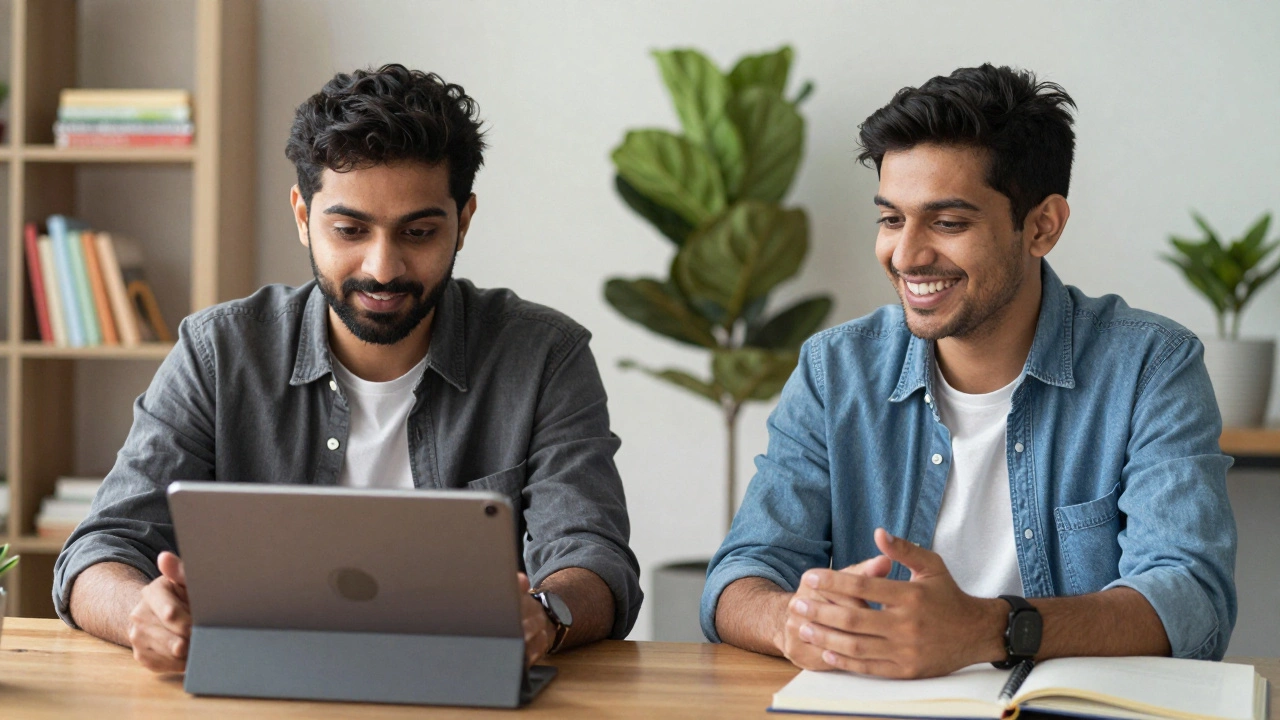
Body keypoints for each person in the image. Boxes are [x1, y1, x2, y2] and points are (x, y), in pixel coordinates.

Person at [54, 64, 642, 673]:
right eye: (350, 229)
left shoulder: (544, 355)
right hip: (259, 686)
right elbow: (100, 548)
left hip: (465, 690)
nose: (382, 267)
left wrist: (545, 614)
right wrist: (141, 614)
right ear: (303, 216)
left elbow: (594, 557)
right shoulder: (219, 352)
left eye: (417, 231)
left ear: (463, 221)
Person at [702, 64, 1236, 678]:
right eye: (891, 218)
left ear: (1042, 226)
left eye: (948, 222)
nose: (906, 255)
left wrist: (990, 629)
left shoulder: (1150, 365)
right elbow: (739, 579)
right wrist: (795, 621)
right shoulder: (835, 370)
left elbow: (1192, 598)